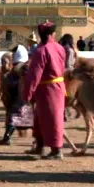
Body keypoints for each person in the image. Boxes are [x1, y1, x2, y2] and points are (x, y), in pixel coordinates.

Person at [20, 21, 67, 159]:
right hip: (56, 86)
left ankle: (57, 150)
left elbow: (34, 75)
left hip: (47, 88)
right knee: (40, 119)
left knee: (53, 119)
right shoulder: (60, 48)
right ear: (52, 34)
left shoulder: (41, 51)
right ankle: (40, 146)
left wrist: (27, 93)